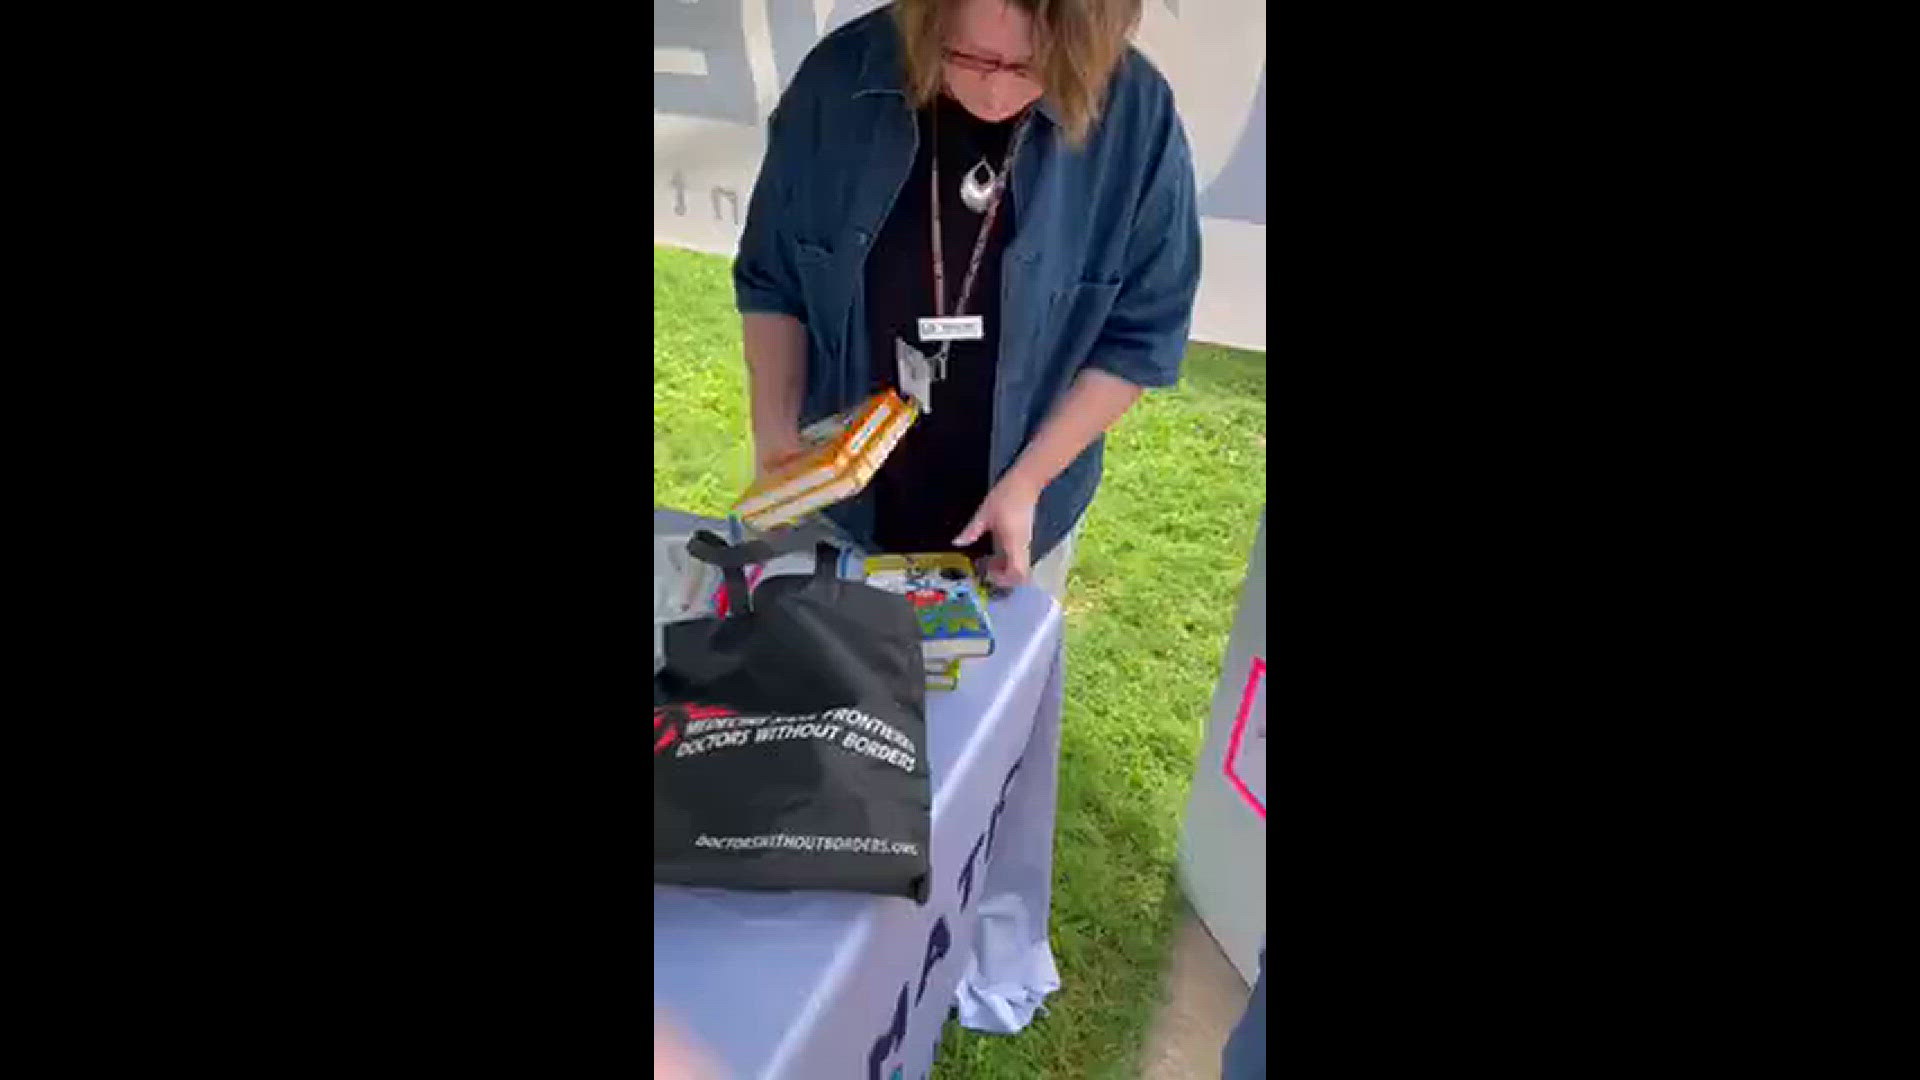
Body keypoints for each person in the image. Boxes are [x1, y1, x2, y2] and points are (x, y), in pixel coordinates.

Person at [734, 0, 1201, 600]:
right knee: (837, 680)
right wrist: (776, 435)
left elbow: (1143, 334)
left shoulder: (1136, 113)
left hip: (1021, 515)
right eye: (969, 57)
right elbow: (772, 278)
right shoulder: (841, 80)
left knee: (988, 682)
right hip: (844, 505)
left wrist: (1028, 482)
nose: (995, 89)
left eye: (1034, 68)